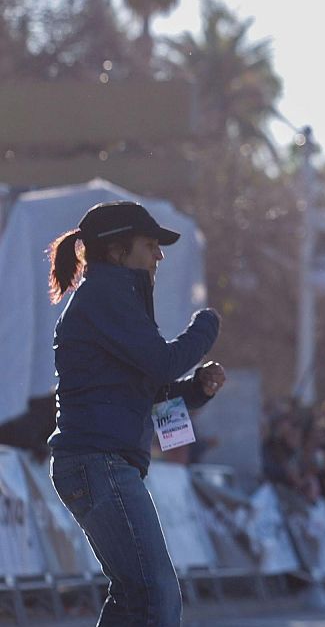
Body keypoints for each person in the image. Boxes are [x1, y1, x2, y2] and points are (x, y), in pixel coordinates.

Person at [45, 200, 226, 627]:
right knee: (156, 593)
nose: (159, 255)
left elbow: (155, 393)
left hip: (98, 463)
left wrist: (197, 390)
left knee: (134, 595)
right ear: (116, 251)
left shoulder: (118, 300)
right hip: (99, 462)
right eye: (150, 245)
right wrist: (207, 324)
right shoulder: (107, 295)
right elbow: (163, 365)